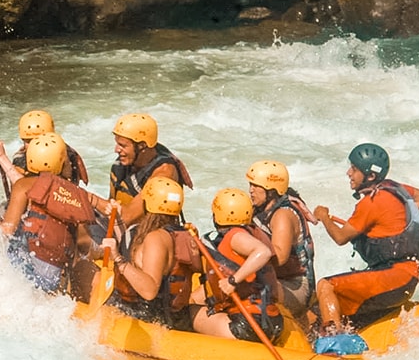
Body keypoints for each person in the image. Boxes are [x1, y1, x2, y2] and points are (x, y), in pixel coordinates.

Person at [312, 142, 419, 336]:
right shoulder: (395, 188)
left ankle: (335, 343)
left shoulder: (371, 203)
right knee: (317, 310)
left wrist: (323, 216)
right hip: (405, 276)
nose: (349, 173)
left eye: (354, 169)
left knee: (326, 286)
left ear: (371, 176)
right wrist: (398, 226)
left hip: (396, 277)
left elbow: (340, 237)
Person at [0, 133, 100, 293]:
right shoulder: (75, 194)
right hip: (50, 277)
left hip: (19, 266)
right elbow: (83, 244)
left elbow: (7, 229)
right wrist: (101, 250)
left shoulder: (22, 185)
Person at [101, 176, 200, 330]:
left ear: (147, 204)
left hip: (149, 318)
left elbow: (149, 291)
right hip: (175, 317)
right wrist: (117, 221)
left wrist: (118, 259)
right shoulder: (185, 235)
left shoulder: (156, 238)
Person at [191, 188, 284, 342]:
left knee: (190, 312)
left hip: (246, 325)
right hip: (271, 322)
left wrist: (233, 280)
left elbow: (263, 252)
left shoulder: (236, 236)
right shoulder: (253, 233)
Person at [246, 160, 317, 326]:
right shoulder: (261, 207)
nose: (251, 190)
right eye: (250, 184)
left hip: (296, 287)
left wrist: (247, 255)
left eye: (256, 186)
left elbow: (279, 257)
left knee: (248, 284)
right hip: (277, 278)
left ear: (271, 190)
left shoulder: (283, 215)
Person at [108, 113, 193, 227]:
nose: (116, 150)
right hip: (121, 227)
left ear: (142, 146)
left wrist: (89, 199)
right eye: (117, 143)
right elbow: (111, 204)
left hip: (149, 234)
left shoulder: (164, 172)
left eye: (122, 145)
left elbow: (126, 217)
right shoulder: (126, 160)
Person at [0, 109, 89, 193]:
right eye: (28, 141)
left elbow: (24, 190)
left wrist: (2, 157)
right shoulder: (22, 158)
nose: (34, 145)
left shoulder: (65, 155)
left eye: (37, 139)